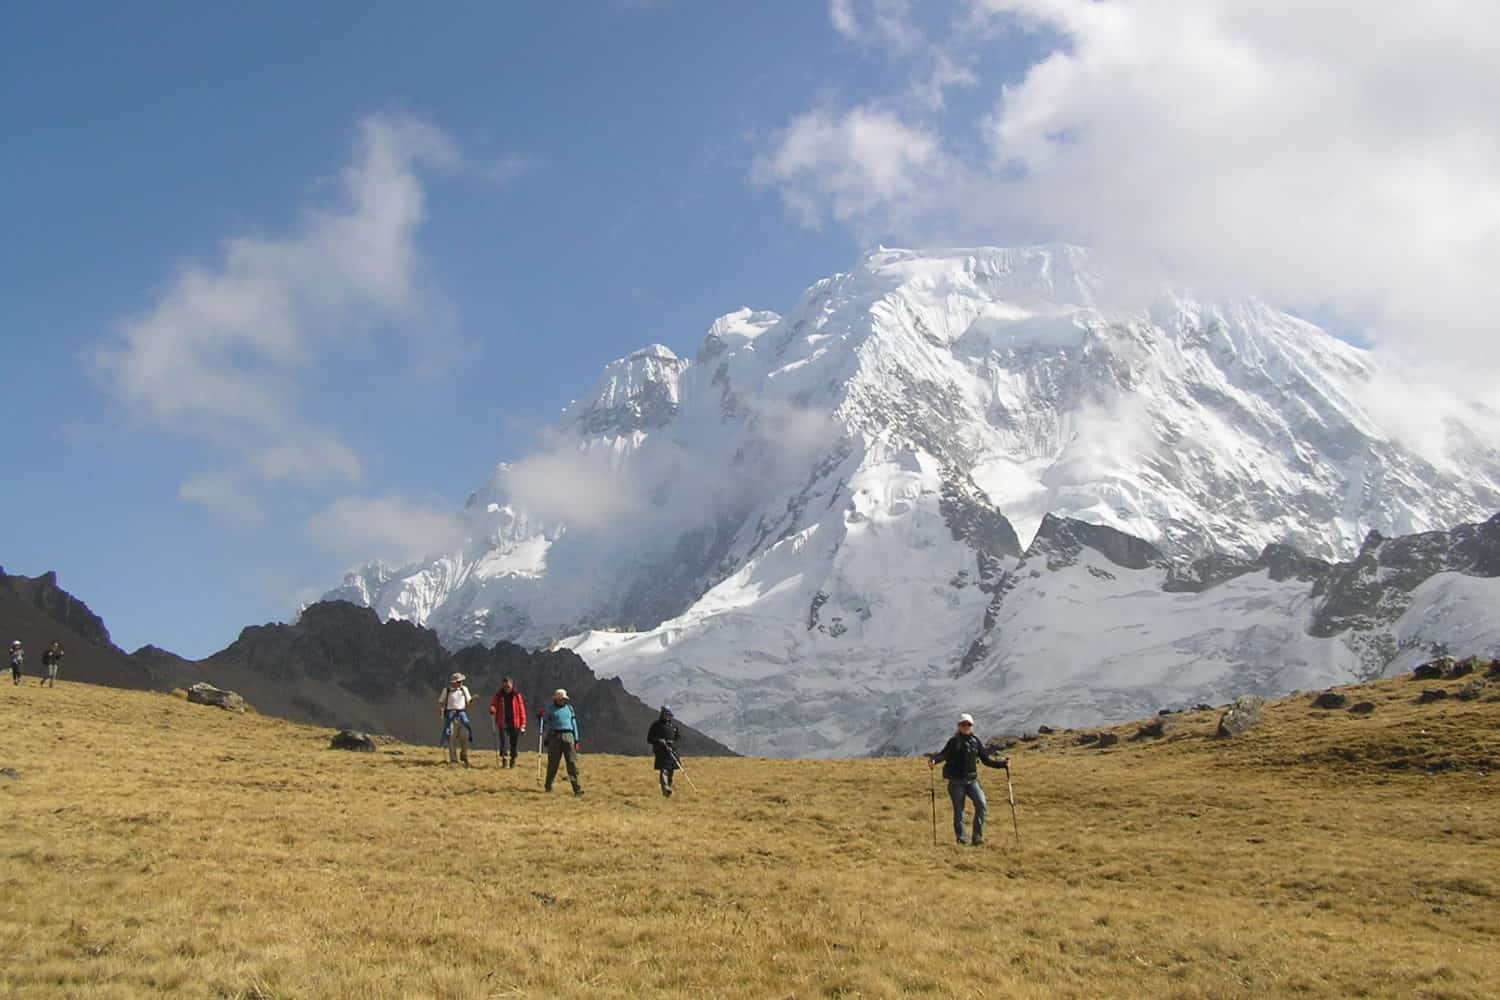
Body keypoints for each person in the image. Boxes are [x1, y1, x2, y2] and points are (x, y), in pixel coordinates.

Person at [924, 713, 1009, 846]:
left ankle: (977, 838)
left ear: (972, 726)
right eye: (963, 724)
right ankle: (962, 840)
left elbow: (985, 760)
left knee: (981, 804)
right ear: (959, 726)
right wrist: (934, 760)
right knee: (959, 811)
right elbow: (944, 754)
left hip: (972, 780)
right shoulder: (953, 742)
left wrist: (1002, 765)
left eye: (968, 724)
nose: (966, 727)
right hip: (956, 781)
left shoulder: (975, 741)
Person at [539, 688, 583, 796]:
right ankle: (548, 786)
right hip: (554, 737)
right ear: (556, 699)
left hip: (569, 737)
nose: (562, 701)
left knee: (572, 763)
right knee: (553, 763)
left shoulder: (570, 709)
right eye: (560, 699)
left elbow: (574, 724)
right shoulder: (550, 709)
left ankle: (576, 788)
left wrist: (576, 740)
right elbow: (543, 722)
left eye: (563, 699)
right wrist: (540, 717)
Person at [488, 677, 527, 768]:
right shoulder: (498, 695)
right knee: (503, 742)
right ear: (503, 685)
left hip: (515, 722)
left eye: (508, 686)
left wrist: (523, 724)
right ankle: (504, 759)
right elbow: (493, 704)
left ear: (511, 685)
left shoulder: (517, 695)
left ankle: (513, 759)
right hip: (503, 721)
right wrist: (493, 709)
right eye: (505, 686)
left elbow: (522, 709)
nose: (507, 688)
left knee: (514, 743)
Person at [439, 672, 477, 766]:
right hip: (450, 716)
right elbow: (441, 701)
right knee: (451, 738)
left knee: (465, 735)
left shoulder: (464, 689)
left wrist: (472, 700)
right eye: (459, 681)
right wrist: (442, 710)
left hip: (462, 714)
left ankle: (464, 755)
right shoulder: (446, 690)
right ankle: (453, 760)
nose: (461, 683)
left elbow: (468, 703)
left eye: (461, 681)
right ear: (454, 682)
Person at [647, 705, 683, 797]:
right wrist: (659, 741)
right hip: (661, 752)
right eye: (666, 714)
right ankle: (665, 788)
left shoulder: (674, 727)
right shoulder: (656, 725)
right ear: (662, 714)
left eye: (669, 715)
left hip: (672, 752)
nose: (668, 716)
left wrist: (673, 745)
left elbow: (678, 739)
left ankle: (668, 790)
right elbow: (649, 738)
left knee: (670, 772)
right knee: (664, 771)